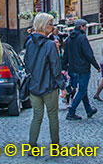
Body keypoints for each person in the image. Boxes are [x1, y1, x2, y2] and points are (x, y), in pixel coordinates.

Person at [24, 13, 67, 148]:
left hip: (34, 86)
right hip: (48, 86)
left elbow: (26, 64)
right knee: (53, 117)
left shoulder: (29, 42)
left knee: (37, 117)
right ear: (44, 25)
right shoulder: (50, 45)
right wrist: (63, 86)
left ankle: (32, 146)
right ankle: (55, 145)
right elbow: (56, 68)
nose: (52, 26)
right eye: (50, 24)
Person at [62, 19, 99, 121]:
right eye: (85, 26)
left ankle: (88, 110)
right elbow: (89, 54)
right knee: (82, 90)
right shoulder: (82, 39)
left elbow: (65, 55)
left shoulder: (69, 39)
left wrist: (64, 67)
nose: (86, 28)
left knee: (83, 90)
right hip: (83, 68)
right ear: (81, 27)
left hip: (73, 68)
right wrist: (97, 66)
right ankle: (71, 112)